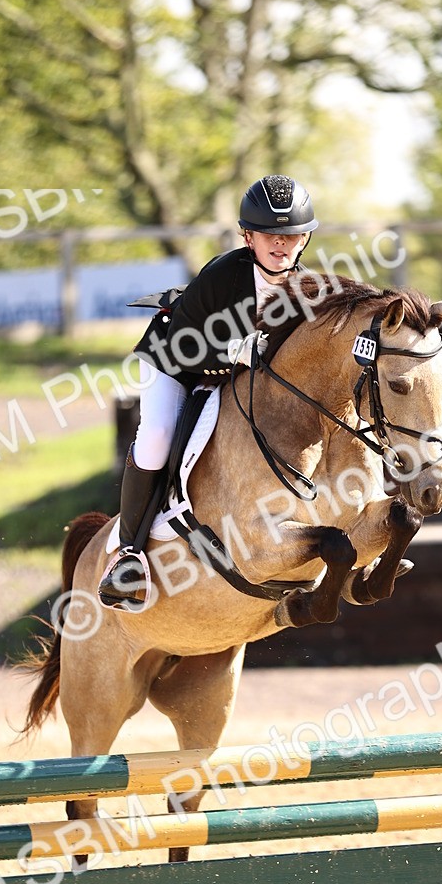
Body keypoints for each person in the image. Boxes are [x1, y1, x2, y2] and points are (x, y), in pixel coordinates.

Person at [98, 174, 319, 610]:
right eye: (269, 235)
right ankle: (128, 554)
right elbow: (182, 347)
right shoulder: (223, 274)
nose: (280, 244)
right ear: (248, 237)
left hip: (237, 378)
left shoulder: (307, 290)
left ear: (305, 239)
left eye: (291, 235)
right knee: (157, 436)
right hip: (175, 361)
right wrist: (237, 352)